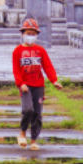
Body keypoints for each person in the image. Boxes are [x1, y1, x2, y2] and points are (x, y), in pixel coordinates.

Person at [12, 17, 63, 150]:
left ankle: (33, 140)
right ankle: (22, 133)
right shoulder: (17, 51)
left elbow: (47, 66)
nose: (30, 36)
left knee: (37, 114)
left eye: (33, 34)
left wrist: (54, 81)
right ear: (22, 34)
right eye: (28, 34)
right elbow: (16, 70)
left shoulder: (40, 51)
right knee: (28, 109)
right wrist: (20, 83)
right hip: (25, 86)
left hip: (39, 86)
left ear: (37, 35)